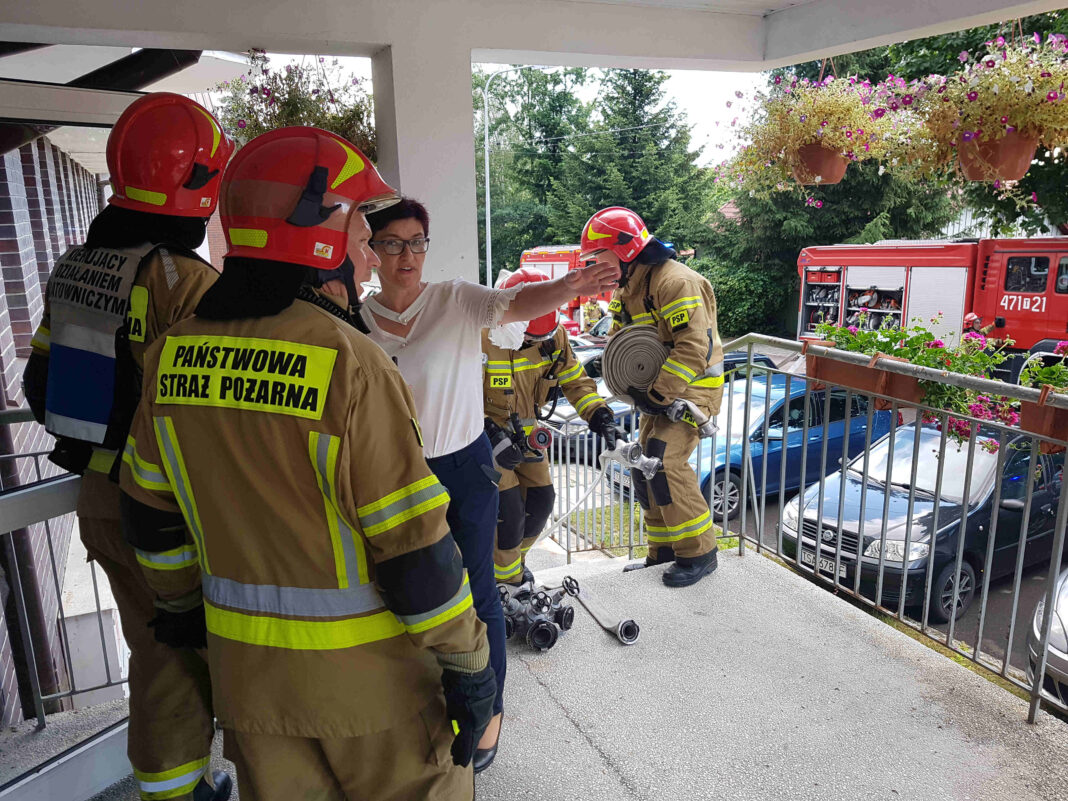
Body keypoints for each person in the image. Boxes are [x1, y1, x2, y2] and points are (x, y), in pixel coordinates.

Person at [119, 128, 495, 801]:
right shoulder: (352, 364)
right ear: (316, 232)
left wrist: (180, 609)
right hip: (373, 695)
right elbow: (415, 550)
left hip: (252, 689)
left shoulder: (172, 354)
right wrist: (470, 661)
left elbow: (150, 519)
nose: (370, 257)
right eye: (360, 234)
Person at [22, 93, 234, 801]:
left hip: (100, 501)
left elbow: (41, 385)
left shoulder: (74, 267)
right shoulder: (186, 282)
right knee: (191, 654)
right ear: (197, 188)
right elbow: (216, 417)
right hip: (168, 514)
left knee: (153, 647)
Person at [360, 198, 619, 772]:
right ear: (371, 250)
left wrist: (573, 283)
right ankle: (422, 697)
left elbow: (517, 302)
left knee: (479, 595)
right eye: (394, 243)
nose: (408, 255)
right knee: (402, 589)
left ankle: (488, 713)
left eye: (417, 242)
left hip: (461, 468)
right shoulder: (356, 319)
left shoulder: (453, 299)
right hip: (391, 474)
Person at [582, 206, 725, 587]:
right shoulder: (629, 288)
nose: (596, 265)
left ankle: (699, 552)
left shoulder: (675, 282)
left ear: (624, 251)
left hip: (693, 392)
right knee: (643, 468)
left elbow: (693, 347)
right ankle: (661, 552)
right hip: (658, 394)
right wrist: (603, 362)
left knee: (664, 462)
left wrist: (659, 394)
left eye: (599, 256)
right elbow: (619, 338)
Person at [483, 268, 618, 587]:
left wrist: (599, 414)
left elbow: (573, 379)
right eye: (527, 337)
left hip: (525, 436)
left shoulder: (552, 338)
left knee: (541, 500)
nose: (531, 343)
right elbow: (452, 393)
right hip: (483, 441)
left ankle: (513, 564)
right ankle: (504, 584)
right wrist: (488, 431)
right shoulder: (478, 335)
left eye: (536, 339)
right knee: (509, 512)